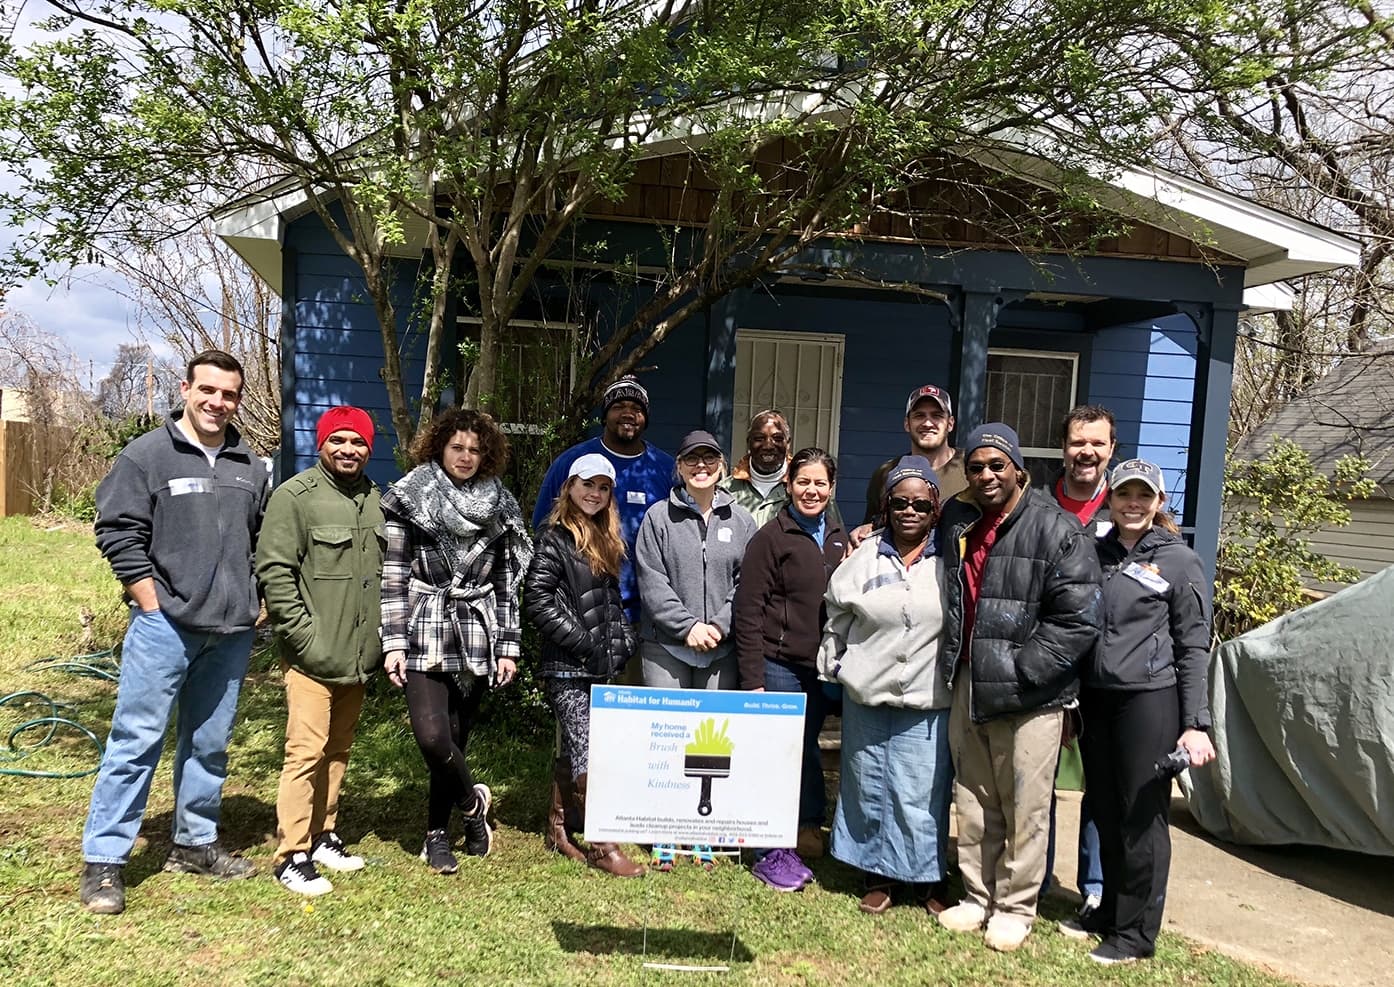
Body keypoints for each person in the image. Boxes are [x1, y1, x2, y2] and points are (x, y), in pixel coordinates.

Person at [79, 350, 269, 915]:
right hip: (165, 626)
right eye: (207, 390)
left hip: (231, 630)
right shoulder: (146, 456)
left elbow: (261, 538)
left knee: (208, 744)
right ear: (185, 389)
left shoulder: (249, 465)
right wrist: (148, 599)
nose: (217, 402)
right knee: (136, 740)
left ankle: (195, 843)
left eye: (229, 394)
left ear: (238, 400)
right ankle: (106, 861)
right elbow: (116, 530)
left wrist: (255, 598)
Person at [935, 424, 1102, 952]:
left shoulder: (1055, 529)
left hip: (1032, 694)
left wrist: (1024, 669)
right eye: (977, 467)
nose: (986, 475)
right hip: (969, 682)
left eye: (996, 466)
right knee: (976, 797)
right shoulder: (960, 520)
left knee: (1026, 804)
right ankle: (978, 895)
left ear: (1017, 469)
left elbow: (1078, 618)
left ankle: (1016, 906)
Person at [1064, 459, 1215, 965]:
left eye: (1143, 495)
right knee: (1104, 807)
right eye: (1124, 493)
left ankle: (1134, 934)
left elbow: (1193, 645)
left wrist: (1195, 723)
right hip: (1096, 699)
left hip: (1149, 700)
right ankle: (1108, 911)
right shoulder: (1094, 551)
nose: (1133, 503)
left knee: (1141, 816)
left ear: (1159, 503)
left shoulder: (1178, 561)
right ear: (1110, 496)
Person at [380, 408, 533, 874]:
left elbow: (508, 581)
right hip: (424, 623)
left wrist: (508, 644)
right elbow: (393, 574)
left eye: (475, 449)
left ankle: (437, 834)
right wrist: (392, 642)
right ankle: (473, 805)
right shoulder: (410, 497)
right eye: (457, 447)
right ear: (439, 447)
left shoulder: (499, 504)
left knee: (456, 739)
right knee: (432, 737)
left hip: (478, 628)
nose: (466, 457)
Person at [256, 406, 383, 897]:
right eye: (339, 441)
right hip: (312, 656)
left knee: (339, 749)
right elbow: (275, 572)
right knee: (304, 752)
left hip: (358, 657)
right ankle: (291, 853)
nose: (349, 450)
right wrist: (302, 636)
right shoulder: (295, 497)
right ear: (321, 444)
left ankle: (324, 833)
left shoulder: (376, 500)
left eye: (358, 442)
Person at [819, 456, 953, 916]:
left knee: (922, 792)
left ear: (936, 507)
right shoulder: (864, 555)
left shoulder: (950, 559)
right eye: (900, 502)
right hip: (869, 692)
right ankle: (877, 874)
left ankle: (925, 878)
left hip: (928, 696)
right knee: (869, 785)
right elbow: (837, 611)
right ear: (886, 505)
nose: (910, 510)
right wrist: (836, 665)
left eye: (920, 502)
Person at [634, 429, 757, 871]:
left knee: (712, 742)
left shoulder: (741, 521)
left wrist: (719, 627)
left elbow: (747, 583)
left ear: (722, 466)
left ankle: (703, 830)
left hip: (720, 649)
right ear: (680, 467)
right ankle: (667, 829)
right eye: (692, 461)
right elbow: (651, 580)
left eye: (708, 460)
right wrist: (687, 627)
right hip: (666, 647)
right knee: (669, 740)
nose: (700, 467)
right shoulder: (657, 518)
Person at [524, 453, 644, 878]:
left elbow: (609, 603)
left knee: (579, 746)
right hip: (567, 667)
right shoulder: (554, 537)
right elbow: (536, 602)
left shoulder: (604, 537)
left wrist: (624, 639)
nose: (594, 493)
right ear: (569, 488)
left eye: (603, 487)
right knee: (588, 748)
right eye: (586, 485)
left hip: (596, 665)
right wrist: (585, 644)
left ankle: (559, 829)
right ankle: (601, 845)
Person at [734, 447, 848, 892]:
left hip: (821, 669)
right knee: (777, 757)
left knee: (807, 752)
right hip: (777, 665)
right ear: (788, 485)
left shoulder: (839, 536)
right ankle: (768, 851)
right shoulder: (771, 538)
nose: (812, 490)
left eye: (820, 483)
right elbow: (747, 611)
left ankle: (805, 827)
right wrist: (754, 681)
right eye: (803, 482)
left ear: (831, 488)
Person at [1043, 404, 1118, 918]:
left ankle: (1094, 885)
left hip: (1108, 671)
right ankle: (1035, 876)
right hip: (1050, 663)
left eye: (1096, 443)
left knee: (1101, 780)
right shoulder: (1038, 505)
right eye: (1077, 442)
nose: (1085, 452)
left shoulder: (1132, 506)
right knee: (1037, 775)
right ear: (1063, 447)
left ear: (1111, 448)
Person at [532, 375, 675, 625]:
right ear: (605, 415)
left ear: (646, 418)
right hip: (581, 609)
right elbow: (543, 526)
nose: (628, 413)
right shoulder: (572, 461)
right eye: (619, 406)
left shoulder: (664, 468)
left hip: (647, 611)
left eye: (637, 408)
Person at [861, 384, 967, 525]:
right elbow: (872, 527)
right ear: (907, 423)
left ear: (950, 423)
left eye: (937, 416)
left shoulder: (972, 467)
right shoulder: (887, 473)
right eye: (919, 415)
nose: (928, 423)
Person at [724, 409, 844, 528]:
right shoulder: (724, 491)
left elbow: (835, 539)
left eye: (777, 439)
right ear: (748, 442)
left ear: (788, 443)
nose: (768, 446)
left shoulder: (811, 492)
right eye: (759, 438)